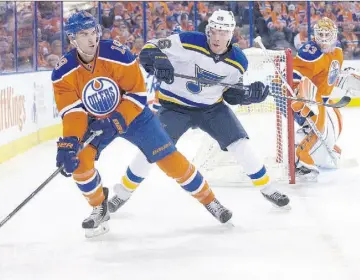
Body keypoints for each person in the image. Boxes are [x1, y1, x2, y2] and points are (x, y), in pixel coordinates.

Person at [52, 12, 232, 238]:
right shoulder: (62, 72)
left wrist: (118, 119)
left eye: (93, 33)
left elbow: (137, 94)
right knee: (79, 162)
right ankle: (99, 206)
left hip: (134, 115)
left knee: (169, 159)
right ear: (71, 39)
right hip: (96, 122)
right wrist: (70, 142)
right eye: (83, 34)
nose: (91, 39)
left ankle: (210, 200)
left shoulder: (117, 54)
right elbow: (73, 113)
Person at [108, 10, 291, 214]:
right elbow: (149, 48)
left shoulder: (239, 60)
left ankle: (267, 188)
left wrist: (250, 95)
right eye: (213, 31)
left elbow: (231, 95)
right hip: (174, 107)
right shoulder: (188, 41)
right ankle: (123, 193)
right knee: (151, 149)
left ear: (231, 34)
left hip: (211, 109)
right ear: (208, 30)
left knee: (240, 142)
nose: (217, 37)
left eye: (222, 33)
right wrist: (159, 60)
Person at [291, 17, 360, 180]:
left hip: (321, 99)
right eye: (321, 35)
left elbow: (328, 74)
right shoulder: (309, 51)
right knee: (319, 127)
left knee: (337, 121)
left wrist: (344, 80)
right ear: (315, 35)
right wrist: (299, 93)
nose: (324, 39)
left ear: (334, 35)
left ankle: (326, 147)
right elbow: (292, 75)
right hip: (305, 99)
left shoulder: (337, 51)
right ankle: (302, 161)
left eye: (327, 35)